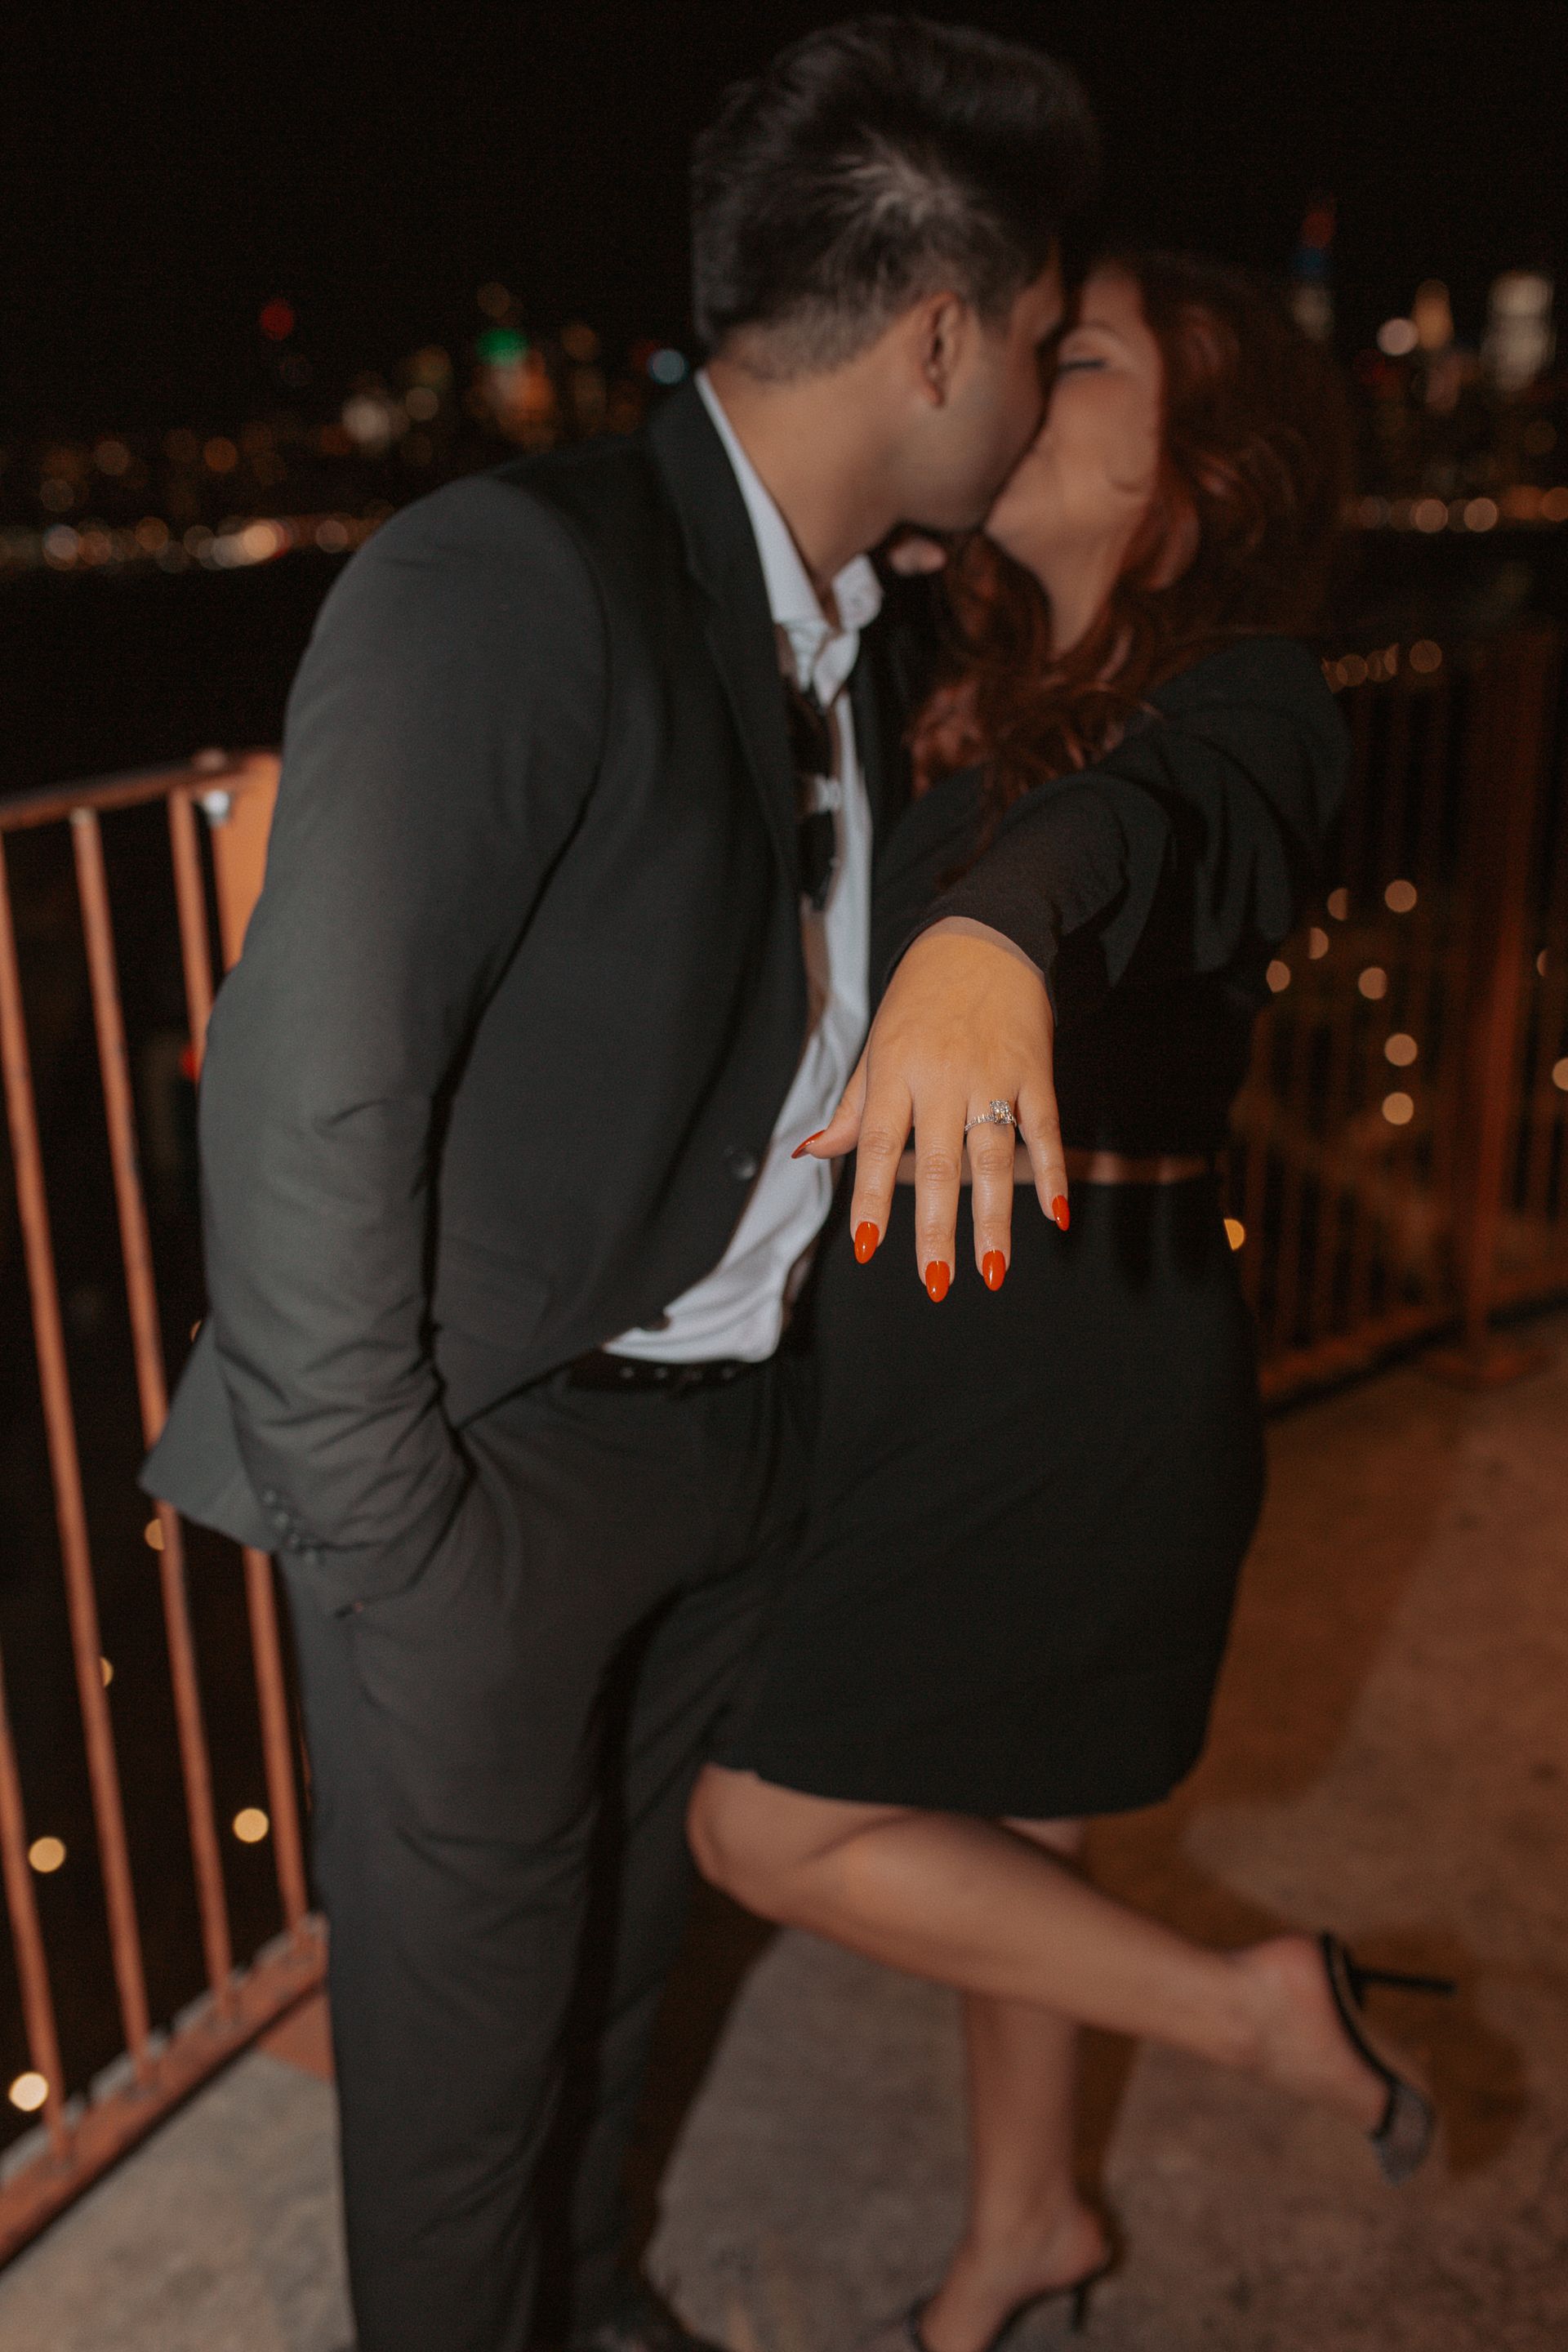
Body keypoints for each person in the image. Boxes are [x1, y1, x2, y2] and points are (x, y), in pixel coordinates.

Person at [140, 21, 1101, 2352]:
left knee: (614, 1993)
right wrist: (399, 1538)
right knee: (457, 2100)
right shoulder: (507, 575)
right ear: (940, 329)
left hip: (722, 1441)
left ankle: (595, 2307)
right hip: (477, 1472)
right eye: (1048, 347)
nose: (1052, 397)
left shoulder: (866, 642)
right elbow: (302, 1096)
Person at [689, 252, 1454, 2351]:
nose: (1028, 380)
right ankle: (1029, 2231)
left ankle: (1249, 2008)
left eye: (1083, 357)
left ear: (1196, 477)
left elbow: (1155, 826)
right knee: (1013, 1818)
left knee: (767, 1825)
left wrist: (989, 941)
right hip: (953, 1328)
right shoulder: (959, 685)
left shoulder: (1251, 698)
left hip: (1069, 1352)